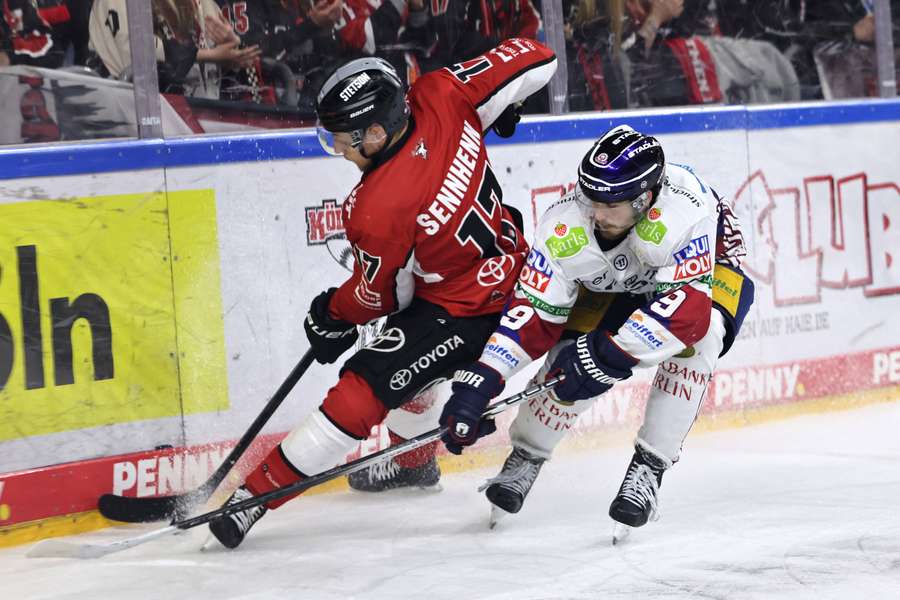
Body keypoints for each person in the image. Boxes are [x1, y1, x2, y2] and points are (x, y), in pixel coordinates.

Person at [207, 37, 558, 549]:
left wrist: (331, 313)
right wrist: (507, 101)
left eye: (343, 140)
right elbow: (538, 55)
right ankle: (411, 465)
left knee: (365, 384)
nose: (340, 150)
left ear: (375, 132)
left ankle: (250, 500)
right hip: (520, 272)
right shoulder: (441, 93)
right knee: (404, 353)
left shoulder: (377, 206)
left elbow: (383, 298)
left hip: (469, 309)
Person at [439, 124, 754, 537]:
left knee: (700, 339)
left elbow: (686, 314)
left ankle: (650, 465)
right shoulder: (566, 222)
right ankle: (528, 453)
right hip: (618, 280)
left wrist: (606, 356)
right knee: (567, 356)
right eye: (590, 198)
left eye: (610, 205)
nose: (595, 214)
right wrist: (482, 379)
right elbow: (533, 314)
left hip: (705, 276)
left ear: (644, 199)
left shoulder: (685, 211)